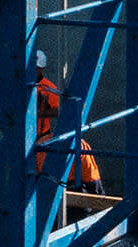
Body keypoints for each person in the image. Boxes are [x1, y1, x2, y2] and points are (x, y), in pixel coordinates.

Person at [33, 50, 103, 193]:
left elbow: (57, 110)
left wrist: (39, 114)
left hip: (40, 136)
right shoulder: (23, 86)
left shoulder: (48, 88)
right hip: (33, 139)